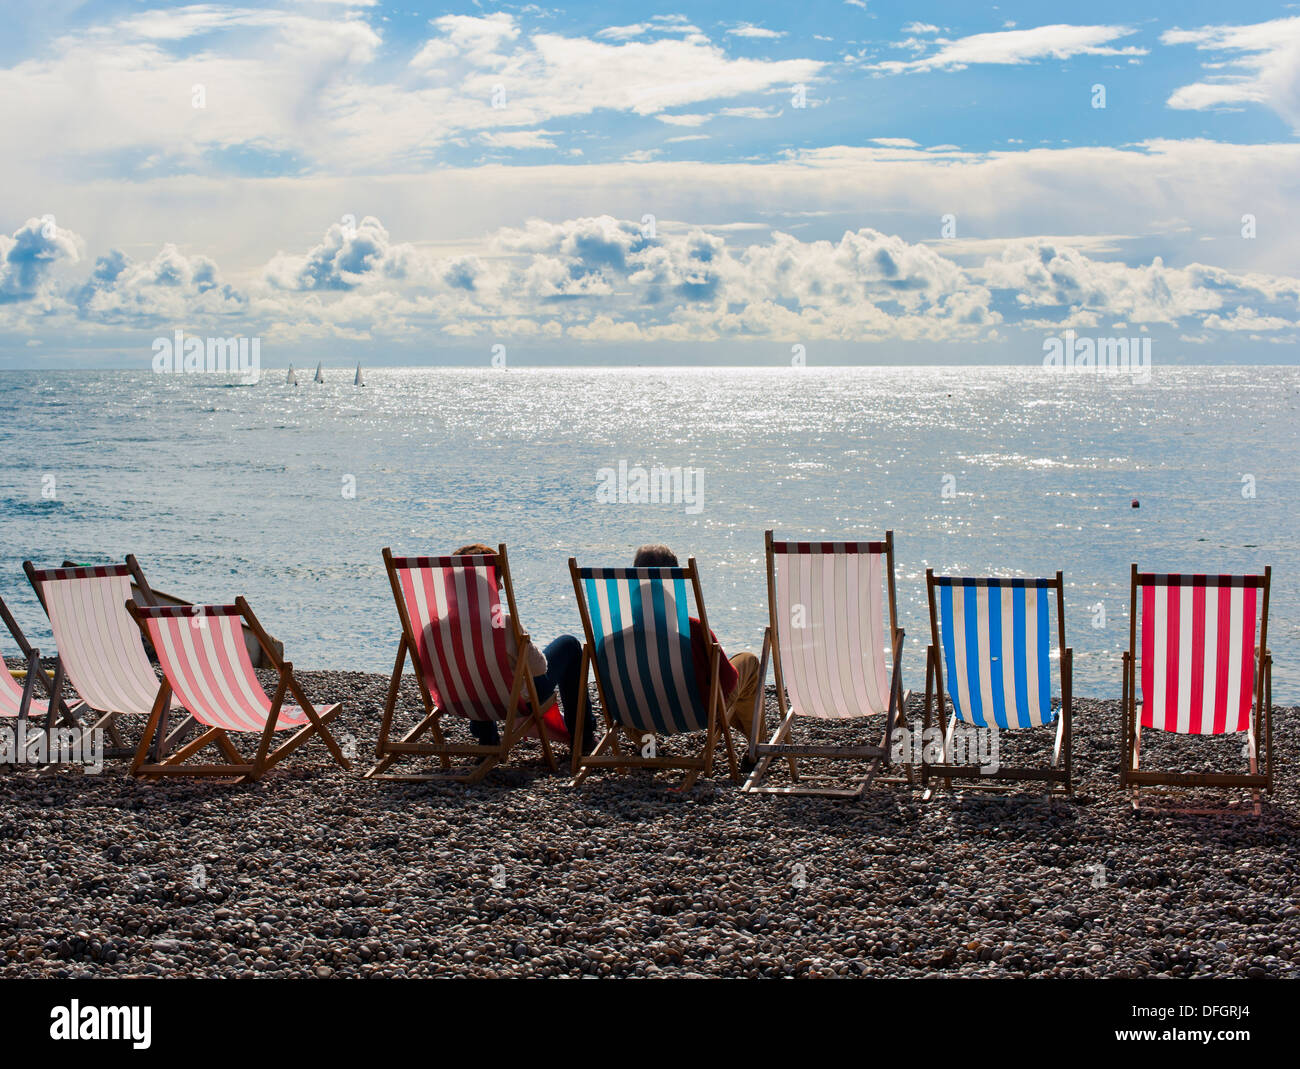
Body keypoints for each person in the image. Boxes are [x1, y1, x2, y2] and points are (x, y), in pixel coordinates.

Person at [451, 544, 591, 757]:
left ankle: (486, 738)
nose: (500, 587)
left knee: (474, 675)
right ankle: (584, 736)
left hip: (462, 700)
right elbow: (539, 667)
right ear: (487, 585)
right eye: (496, 580)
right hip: (511, 702)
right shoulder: (503, 625)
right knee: (569, 645)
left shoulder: (435, 629)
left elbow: (430, 673)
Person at [631, 544, 762, 746]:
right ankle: (758, 746)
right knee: (749, 662)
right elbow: (727, 683)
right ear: (674, 580)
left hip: (638, 712)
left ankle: (647, 747)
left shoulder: (615, 637)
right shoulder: (693, 631)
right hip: (695, 714)